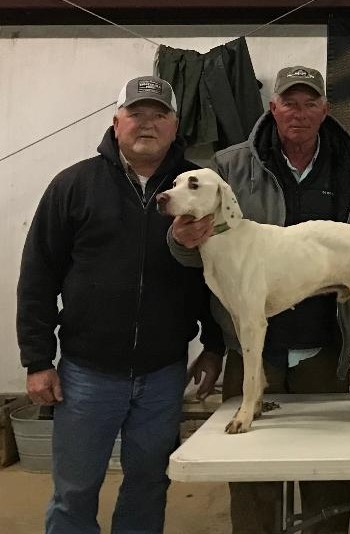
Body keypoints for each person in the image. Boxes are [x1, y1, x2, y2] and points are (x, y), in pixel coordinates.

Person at [169, 65, 350, 534]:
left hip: (323, 350)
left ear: (325, 109)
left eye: (309, 103)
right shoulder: (227, 167)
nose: (299, 113)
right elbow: (188, 251)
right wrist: (181, 238)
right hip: (250, 351)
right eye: (289, 103)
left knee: (326, 481)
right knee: (252, 482)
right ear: (273, 107)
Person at [17, 75, 224, 534]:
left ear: (175, 126)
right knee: (74, 490)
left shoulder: (201, 188)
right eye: (136, 113)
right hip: (87, 374)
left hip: (164, 372)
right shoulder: (73, 185)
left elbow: (218, 277)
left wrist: (214, 346)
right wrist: (37, 360)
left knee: (149, 484)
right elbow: (37, 276)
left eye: (159, 115)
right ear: (115, 123)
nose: (147, 124)